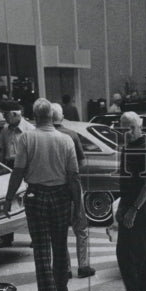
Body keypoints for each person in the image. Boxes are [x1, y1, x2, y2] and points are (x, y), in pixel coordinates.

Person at [3, 98, 79, 291]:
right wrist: (78, 205)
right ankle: (61, 290)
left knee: (42, 251)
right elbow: (74, 176)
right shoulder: (65, 140)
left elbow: (18, 171)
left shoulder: (27, 138)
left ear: (35, 117)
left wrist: (9, 197)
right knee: (60, 245)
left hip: (36, 196)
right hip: (61, 196)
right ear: (52, 117)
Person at [115, 112, 146, 291]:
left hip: (143, 207)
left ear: (139, 127)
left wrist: (133, 210)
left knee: (142, 254)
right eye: (124, 129)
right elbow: (126, 181)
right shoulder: (127, 148)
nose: (128, 132)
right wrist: (122, 206)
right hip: (129, 205)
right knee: (124, 251)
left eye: (131, 128)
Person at [51, 102, 96, 278]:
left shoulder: (41, 136)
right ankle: (83, 265)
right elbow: (82, 163)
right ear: (61, 117)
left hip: (55, 190)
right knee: (81, 228)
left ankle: (66, 268)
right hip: (73, 187)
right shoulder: (71, 135)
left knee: (59, 232)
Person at [0, 100, 32, 167]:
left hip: (24, 166)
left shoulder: (30, 130)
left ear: (15, 114)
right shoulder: (5, 128)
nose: (4, 117)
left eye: (6, 114)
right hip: (8, 165)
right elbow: (1, 150)